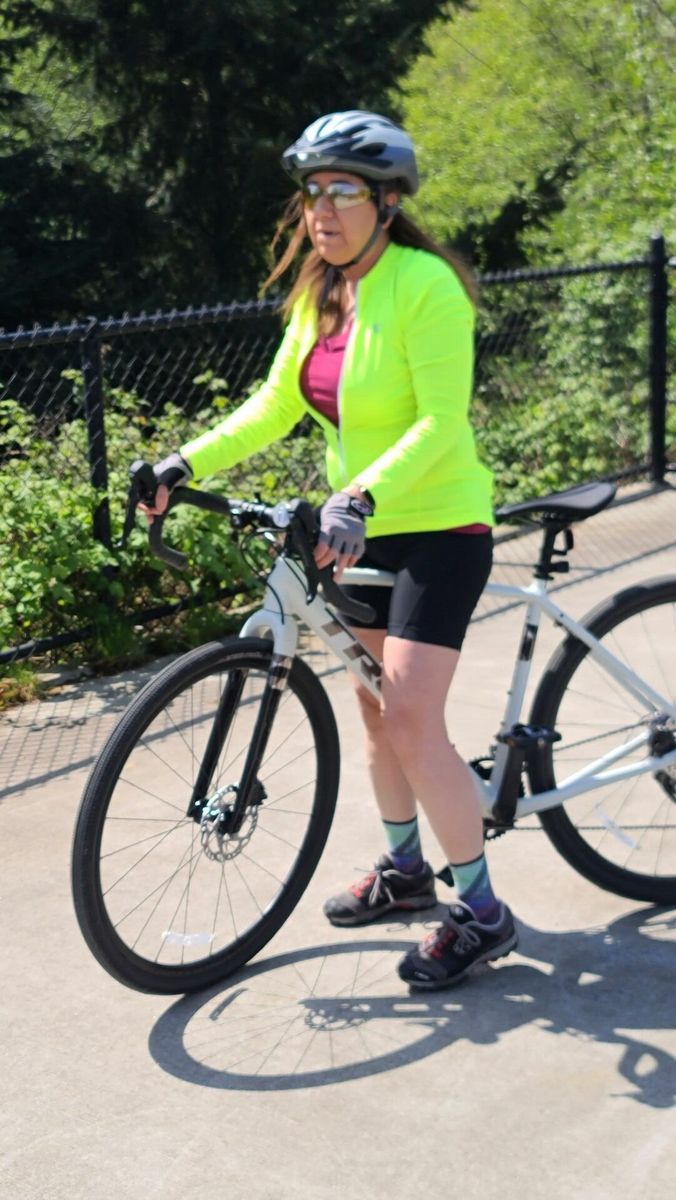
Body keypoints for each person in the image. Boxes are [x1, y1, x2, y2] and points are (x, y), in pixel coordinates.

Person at [143, 110, 518, 990]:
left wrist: (361, 493)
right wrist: (182, 462)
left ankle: (483, 913)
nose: (322, 209)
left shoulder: (426, 285)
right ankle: (405, 871)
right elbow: (276, 405)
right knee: (375, 711)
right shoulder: (324, 294)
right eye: (313, 192)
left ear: (388, 203)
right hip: (360, 525)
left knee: (412, 716)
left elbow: (441, 420)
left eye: (343, 191)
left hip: (438, 527)